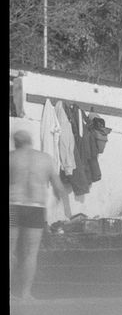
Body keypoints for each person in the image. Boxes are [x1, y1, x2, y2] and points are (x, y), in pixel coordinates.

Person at [9, 128, 68, 301]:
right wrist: (58, 207)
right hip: (36, 207)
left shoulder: (11, 158)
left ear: (16, 143)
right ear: (30, 142)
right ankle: (26, 293)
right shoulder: (45, 159)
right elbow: (59, 189)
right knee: (30, 253)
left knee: (10, 251)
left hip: (13, 205)